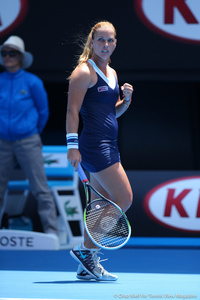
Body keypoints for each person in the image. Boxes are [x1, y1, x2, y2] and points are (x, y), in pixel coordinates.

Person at [66, 21, 133, 281]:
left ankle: (87, 264)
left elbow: (110, 113)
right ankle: (86, 250)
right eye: (101, 40)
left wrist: (125, 101)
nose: (105, 45)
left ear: (115, 43)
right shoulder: (83, 72)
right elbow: (72, 111)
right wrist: (72, 147)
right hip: (94, 145)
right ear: (91, 42)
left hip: (108, 143)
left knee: (99, 206)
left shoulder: (113, 73)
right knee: (124, 198)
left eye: (110, 40)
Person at [0, 35, 58, 236]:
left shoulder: (32, 82)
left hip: (28, 140)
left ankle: (52, 233)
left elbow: (44, 112)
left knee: (40, 188)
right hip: (2, 143)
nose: (8, 56)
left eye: (12, 53)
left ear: (21, 57)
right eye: (4, 53)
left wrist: (31, 132)